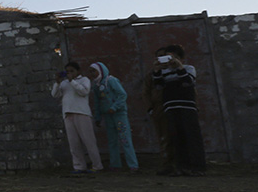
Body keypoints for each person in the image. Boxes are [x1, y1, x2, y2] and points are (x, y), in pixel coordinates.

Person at [152, 44, 206, 176]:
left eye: (175, 57)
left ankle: (198, 168)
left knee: (192, 137)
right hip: (171, 107)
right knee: (176, 138)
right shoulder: (164, 71)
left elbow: (188, 82)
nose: (171, 60)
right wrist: (157, 70)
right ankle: (181, 167)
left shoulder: (189, 68)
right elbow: (158, 86)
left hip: (187, 107)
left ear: (182, 58)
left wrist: (179, 68)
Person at [51, 61, 103, 173]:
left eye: (72, 71)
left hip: (82, 113)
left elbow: (84, 91)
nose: (70, 73)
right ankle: (79, 166)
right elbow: (55, 95)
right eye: (67, 72)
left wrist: (72, 81)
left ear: (78, 71)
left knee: (89, 141)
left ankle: (97, 165)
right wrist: (58, 82)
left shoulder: (84, 80)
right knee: (74, 143)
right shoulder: (64, 83)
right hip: (68, 114)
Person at [88, 62, 139, 173]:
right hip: (108, 116)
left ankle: (133, 165)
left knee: (125, 139)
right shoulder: (96, 85)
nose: (92, 73)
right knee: (112, 140)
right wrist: (98, 117)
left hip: (118, 114)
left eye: (94, 71)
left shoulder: (111, 81)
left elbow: (122, 95)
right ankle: (115, 164)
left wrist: (115, 107)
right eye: (90, 71)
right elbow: (97, 102)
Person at [142, 46, 176, 175]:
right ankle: (167, 164)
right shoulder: (151, 75)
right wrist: (150, 108)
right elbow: (145, 93)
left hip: (175, 105)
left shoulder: (177, 70)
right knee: (164, 137)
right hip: (159, 107)